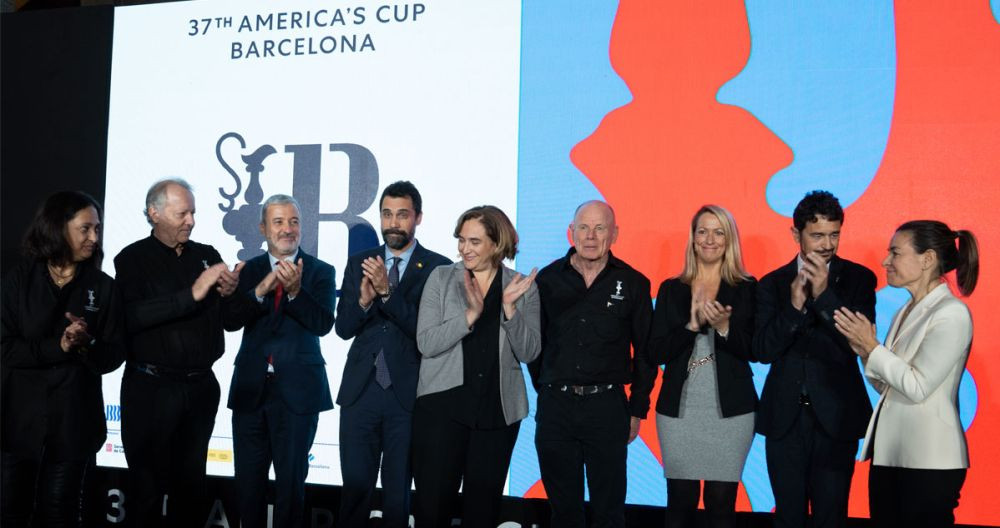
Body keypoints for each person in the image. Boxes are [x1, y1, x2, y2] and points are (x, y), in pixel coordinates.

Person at [113, 178, 244, 527]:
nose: (191, 221)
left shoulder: (207, 256)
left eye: (193, 213)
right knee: (146, 490)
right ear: (154, 214)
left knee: (192, 489)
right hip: (151, 390)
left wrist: (231, 293)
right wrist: (193, 293)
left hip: (200, 389)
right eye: (182, 213)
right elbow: (133, 316)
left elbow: (230, 323)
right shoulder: (131, 259)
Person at [833, 220, 978, 527]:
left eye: (895, 253)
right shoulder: (905, 311)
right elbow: (889, 384)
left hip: (930, 460)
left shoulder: (951, 313)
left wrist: (873, 348)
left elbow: (917, 385)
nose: (886, 261)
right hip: (892, 456)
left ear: (927, 259)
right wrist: (864, 351)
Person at [1, 191, 125, 527]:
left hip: (74, 422)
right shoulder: (18, 281)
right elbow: (6, 349)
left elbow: (113, 357)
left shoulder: (103, 287)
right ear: (58, 228)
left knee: (61, 512)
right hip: (18, 421)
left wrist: (86, 344)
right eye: (85, 229)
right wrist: (59, 346)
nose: (94, 237)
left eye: (97, 229)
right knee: (10, 511)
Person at [753, 190, 876, 528]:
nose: (827, 244)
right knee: (788, 515)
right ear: (797, 235)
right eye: (817, 235)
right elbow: (762, 350)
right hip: (784, 418)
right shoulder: (772, 285)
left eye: (834, 234)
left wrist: (822, 296)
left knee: (831, 515)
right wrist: (793, 308)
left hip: (836, 417)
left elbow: (856, 344)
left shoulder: (859, 280)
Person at [530, 200, 656, 528]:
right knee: (564, 512)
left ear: (614, 234)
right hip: (556, 407)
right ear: (571, 233)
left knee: (609, 513)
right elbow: (534, 347)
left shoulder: (634, 284)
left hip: (608, 407)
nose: (590, 236)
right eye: (583, 228)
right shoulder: (546, 280)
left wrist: (636, 409)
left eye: (600, 228)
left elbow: (645, 352)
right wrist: (548, 388)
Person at [412, 205, 540, 528]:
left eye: (474, 242)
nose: (464, 249)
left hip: (498, 414)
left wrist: (509, 310)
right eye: (461, 240)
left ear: (496, 244)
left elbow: (530, 351)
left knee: (482, 514)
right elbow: (426, 343)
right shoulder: (440, 279)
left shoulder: (522, 287)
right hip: (442, 410)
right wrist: (469, 316)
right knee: (431, 511)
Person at [335, 181, 451, 528]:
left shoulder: (438, 267)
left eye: (402, 215)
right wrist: (363, 301)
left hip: (408, 395)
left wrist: (387, 294)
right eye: (387, 214)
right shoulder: (360, 262)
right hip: (360, 392)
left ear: (418, 218)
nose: (393, 223)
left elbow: (428, 335)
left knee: (398, 493)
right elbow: (343, 328)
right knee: (355, 488)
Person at [226, 194, 336, 528]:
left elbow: (323, 324)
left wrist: (294, 292)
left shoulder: (320, 271)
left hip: (298, 396)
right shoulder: (248, 270)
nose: (287, 229)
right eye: (278, 222)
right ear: (263, 228)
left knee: (291, 489)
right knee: (248, 489)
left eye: (293, 222)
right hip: (250, 392)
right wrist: (259, 290)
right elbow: (230, 320)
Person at [649, 205, 757, 528]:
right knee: (679, 500)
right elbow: (656, 351)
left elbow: (755, 349)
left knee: (721, 504)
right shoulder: (672, 289)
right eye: (702, 231)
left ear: (729, 239)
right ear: (693, 239)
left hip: (731, 413)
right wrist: (691, 326)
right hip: (679, 412)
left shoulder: (748, 288)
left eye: (718, 232)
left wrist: (724, 328)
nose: (709, 239)